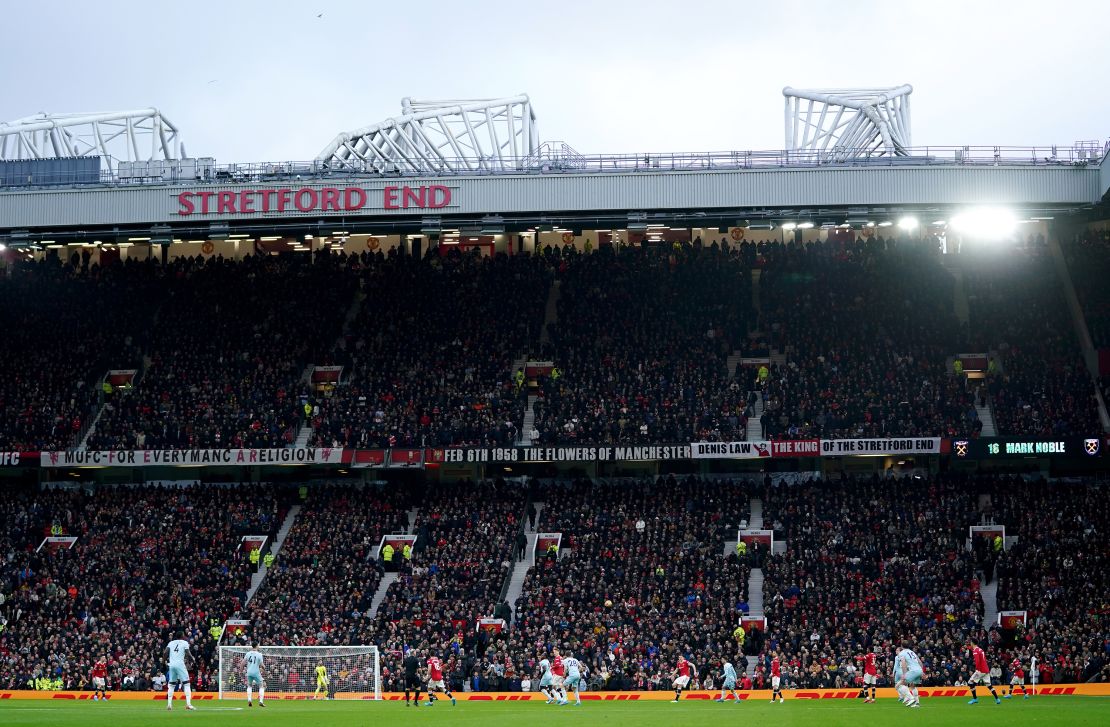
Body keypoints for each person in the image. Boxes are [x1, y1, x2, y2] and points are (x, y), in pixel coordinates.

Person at [165, 634, 195, 711]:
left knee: (171, 685)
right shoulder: (185, 642)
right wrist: (192, 659)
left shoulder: (171, 643)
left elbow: (165, 652)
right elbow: (188, 653)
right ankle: (188, 704)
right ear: (182, 636)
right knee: (187, 684)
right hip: (180, 665)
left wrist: (164, 662)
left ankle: (169, 705)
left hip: (172, 665)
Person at [966, 639, 1001, 705]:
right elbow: (972, 649)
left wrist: (976, 669)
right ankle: (997, 699)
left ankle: (975, 698)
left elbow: (977, 661)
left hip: (980, 670)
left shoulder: (975, 651)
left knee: (970, 683)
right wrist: (967, 647)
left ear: (972, 643)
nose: (970, 643)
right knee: (989, 685)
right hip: (986, 670)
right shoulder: (980, 649)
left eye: (970, 642)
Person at [893, 640, 923, 708]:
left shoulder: (902, 653)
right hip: (919, 670)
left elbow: (903, 663)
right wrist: (922, 671)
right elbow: (920, 662)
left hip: (913, 671)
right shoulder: (912, 652)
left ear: (901, 646)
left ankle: (911, 698)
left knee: (898, 685)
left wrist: (904, 674)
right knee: (912, 686)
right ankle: (917, 703)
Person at [245, 643, 266, 707]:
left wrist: (240, 670)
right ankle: (261, 701)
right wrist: (264, 668)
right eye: (258, 645)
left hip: (249, 672)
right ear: (256, 646)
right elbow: (262, 665)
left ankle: (249, 700)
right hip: (256, 672)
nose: (259, 646)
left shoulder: (248, 653)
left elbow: (243, 663)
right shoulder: (259, 654)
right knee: (261, 686)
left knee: (249, 686)